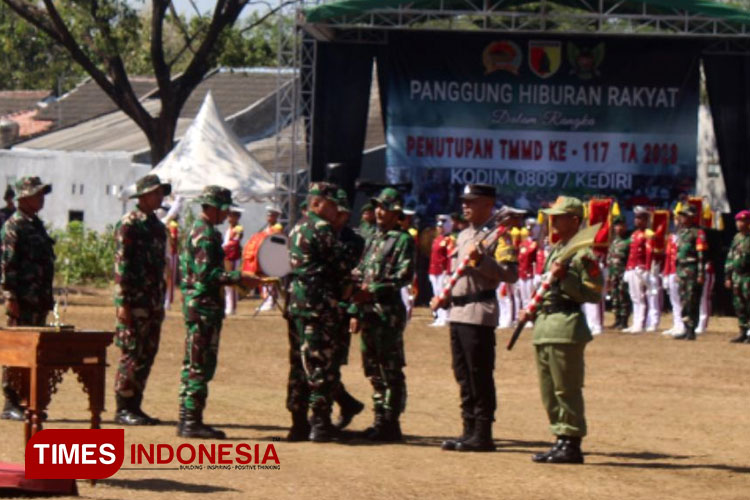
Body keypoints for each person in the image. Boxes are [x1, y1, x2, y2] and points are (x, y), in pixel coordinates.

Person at [432, 185, 518, 452]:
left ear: (488, 204)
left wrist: (482, 261)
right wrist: (445, 296)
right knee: (462, 373)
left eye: (472, 201)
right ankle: (468, 428)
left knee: (478, 373)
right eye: (464, 202)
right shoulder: (464, 235)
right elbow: (457, 272)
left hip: (478, 312)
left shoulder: (499, 236)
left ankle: (483, 431)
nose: (466, 206)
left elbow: (510, 274)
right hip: (457, 312)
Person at [519, 196, 603, 464]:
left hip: (565, 325)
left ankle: (571, 441)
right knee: (548, 388)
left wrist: (565, 277)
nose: (552, 220)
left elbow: (594, 292)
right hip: (545, 325)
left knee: (566, 388)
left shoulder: (582, 254)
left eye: (559, 216)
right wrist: (531, 308)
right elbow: (546, 285)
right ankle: (559, 438)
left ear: (575, 221)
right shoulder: (558, 250)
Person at [177, 186, 257, 438]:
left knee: (193, 362)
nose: (226, 215)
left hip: (199, 306)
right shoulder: (207, 234)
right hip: (203, 308)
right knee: (200, 364)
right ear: (212, 207)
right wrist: (239, 277)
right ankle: (191, 421)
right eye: (223, 209)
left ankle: (187, 418)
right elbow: (207, 275)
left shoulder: (200, 230)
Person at [349, 187, 415, 442]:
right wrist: (354, 304)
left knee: (391, 367)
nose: (379, 211)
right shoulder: (374, 239)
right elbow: (361, 271)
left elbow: (404, 276)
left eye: (385, 207)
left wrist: (372, 291)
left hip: (387, 313)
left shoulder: (402, 240)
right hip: (368, 313)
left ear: (396, 212)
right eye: (377, 206)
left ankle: (391, 422)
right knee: (373, 368)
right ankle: (379, 419)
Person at [286, 182, 346, 442]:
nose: (335, 212)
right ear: (317, 204)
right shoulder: (322, 229)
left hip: (297, 305)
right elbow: (341, 264)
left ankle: (298, 422)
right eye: (332, 206)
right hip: (318, 306)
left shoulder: (296, 228)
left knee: (299, 365)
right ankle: (320, 423)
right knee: (321, 363)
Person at [113, 174, 171, 426]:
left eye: (161, 193)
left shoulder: (157, 226)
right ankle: (123, 407)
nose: (160, 197)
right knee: (132, 352)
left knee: (148, 351)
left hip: (153, 301)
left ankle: (135, 404)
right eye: (157, 193)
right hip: (134, 302)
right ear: (144, 196)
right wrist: (123, 303)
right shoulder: (129, 224)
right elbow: (121, 266)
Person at [1, 177, 55, 421]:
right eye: (37, 194)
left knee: (34, 352)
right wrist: (10, 297)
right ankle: (11, 402)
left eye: (43, 193)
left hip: (38, 300)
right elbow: (7, 265)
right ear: (23, 197)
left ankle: (27, 399)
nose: (41, 198)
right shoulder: (15, 225)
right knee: (16, 351)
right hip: (22, 300)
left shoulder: (36, 225)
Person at [331, 188, 366, 429]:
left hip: (341, 311)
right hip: (321, 308)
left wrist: (354, 311)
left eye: (340, 212)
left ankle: (345, 403)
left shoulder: (354, 242)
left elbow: (357, 279)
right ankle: (347, 402)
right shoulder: (321, 235)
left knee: (328, 364)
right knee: (318, 364)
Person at [673, 206, 707, 341]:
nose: (681, 218)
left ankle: (692, 329)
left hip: (692, 270)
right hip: (682, 271)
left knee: (692, 300)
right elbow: (678, 255)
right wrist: (676, 271)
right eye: (681, 215)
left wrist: (700, 273)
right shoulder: (681, 233)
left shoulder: (698, 233)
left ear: (691, 217)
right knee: (683, 300)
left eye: (684, 215)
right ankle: (686, 327)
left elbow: (701, 255)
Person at [624, 207, 650, 333]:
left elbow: (649, 252)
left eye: (640, 218)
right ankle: (635, 322)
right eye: (636, 218)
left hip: (641, 268)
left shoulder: (648, 234)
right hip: (632, 267)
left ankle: (641, 323)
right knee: (634, 296)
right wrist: (628, 268)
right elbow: (631, 253)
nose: (637, 220)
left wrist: (647, 268)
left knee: (640, 296)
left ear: (645, 220)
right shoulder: (634, 234)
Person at [726, 210, 750, 343]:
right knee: (739, 305)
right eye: (737, 221)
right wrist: (728, 277)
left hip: (748, 277)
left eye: (742, 221)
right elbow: (730, 257)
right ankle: (742, 331)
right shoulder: (737, 238)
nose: (738, 223)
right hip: (737, 277)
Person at [606, 216, 630, 330]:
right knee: (615, 297)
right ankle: (617, 319)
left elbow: (630, 258)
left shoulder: (628, 241)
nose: (618, 228)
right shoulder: (614, 241)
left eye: (620, 225)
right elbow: (610, 259)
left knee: (623, 296)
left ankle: (624, 320)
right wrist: (609, 276)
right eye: (616, 226)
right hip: (614, 273)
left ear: (625, 226)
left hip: (623, 273)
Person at [428, 216, 451, 327]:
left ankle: (445, 317)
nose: (439, 228)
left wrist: (448, 271)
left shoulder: (448, 240)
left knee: (442, 295)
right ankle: (438, 317)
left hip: (442, 271)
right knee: (436, 294)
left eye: (441, 226)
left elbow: (449, 257)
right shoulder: (436, 240)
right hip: (434, 270)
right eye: (438, 226)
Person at [662, 225, 684, 336]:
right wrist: (665, 274)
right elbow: (668, 257)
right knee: (674, 301)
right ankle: (676, 324)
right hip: (671, 272)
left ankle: (682, 325)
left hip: (680, 272)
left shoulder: (684, 237)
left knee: (680, 300)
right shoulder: (671, 238)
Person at [223, 208, 244, 316]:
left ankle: (232, 307)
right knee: (227, 283)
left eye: (232, 216)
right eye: (228, 215)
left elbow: (235, 242)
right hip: (227, 257)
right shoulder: (228, 229)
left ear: (237, 217)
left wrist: (224, 248)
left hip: (234, 257)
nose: (229, 218)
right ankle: (228, 305)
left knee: (233, 282)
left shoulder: (238, 228)